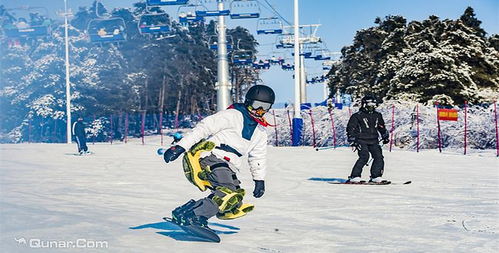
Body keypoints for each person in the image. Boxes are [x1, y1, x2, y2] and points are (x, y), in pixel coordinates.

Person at [162, 85, 275, 228]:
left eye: (265, 107)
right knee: (226, 191)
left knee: (235, 199)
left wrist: (259, 180)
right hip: (212, 155)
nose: (260, 111)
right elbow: (204, 128)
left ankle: (185, 212)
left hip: (228, 164)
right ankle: (195, 216)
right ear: (248, 101)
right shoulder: (232, 115)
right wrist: (180, 146)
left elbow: (258, 156)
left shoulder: (260, 131)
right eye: (257, 105)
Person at [346, 94, 389, 183]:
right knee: (364, 157)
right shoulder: (357, 116)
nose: (372, 107)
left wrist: (385, 136)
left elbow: (381, 127)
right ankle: (354, 176)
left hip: (374, 140)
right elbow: (351, 128)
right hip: (361, 140)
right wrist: (352, 138)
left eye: (373, 105)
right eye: (370, 105)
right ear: (364, 104)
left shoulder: (377, 115)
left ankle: (376, 176)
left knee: (379, 157)